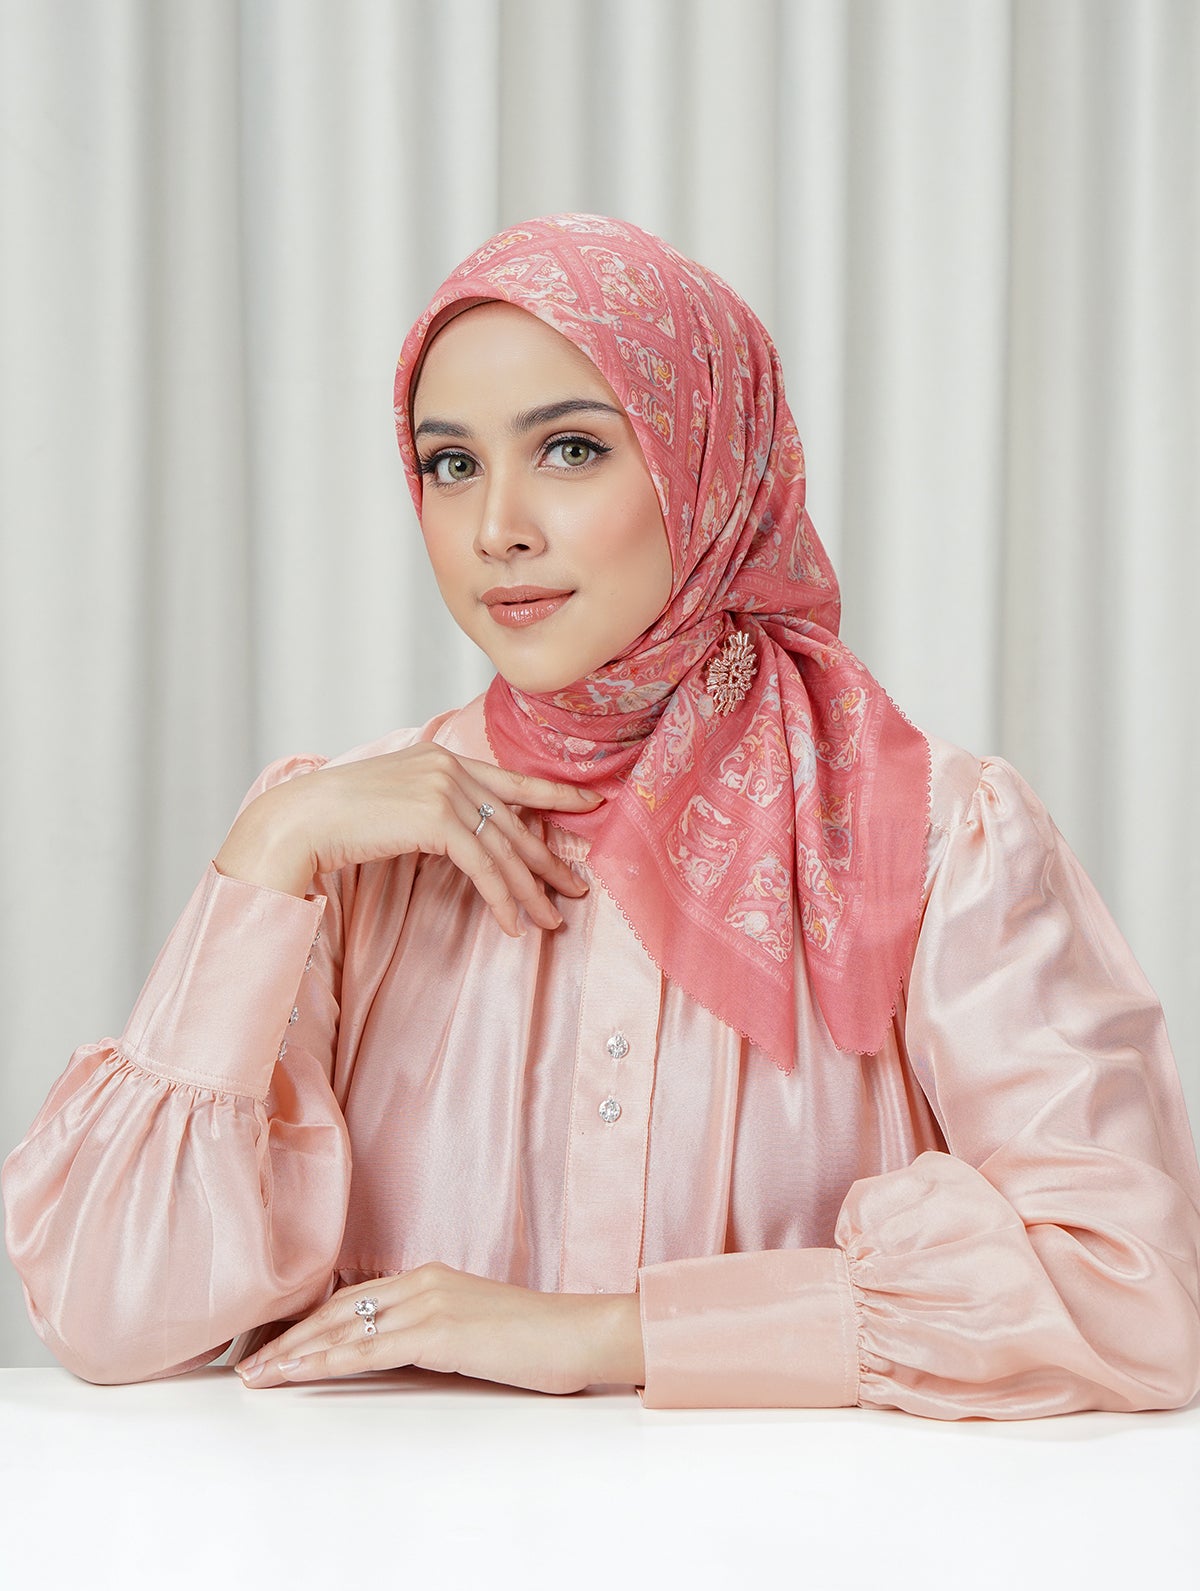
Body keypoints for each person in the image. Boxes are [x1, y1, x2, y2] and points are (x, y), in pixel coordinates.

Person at [4, 211, 1200, 1417]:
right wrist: (268, 855)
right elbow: (111, 1315)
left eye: (570, 449)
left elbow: (1132, 1292)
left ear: (706, 462)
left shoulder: (934, 836)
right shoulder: (339, 845)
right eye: (450, 464)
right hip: (395, 1533)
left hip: (806, 1538)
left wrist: (606, 1335)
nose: (497, 529)